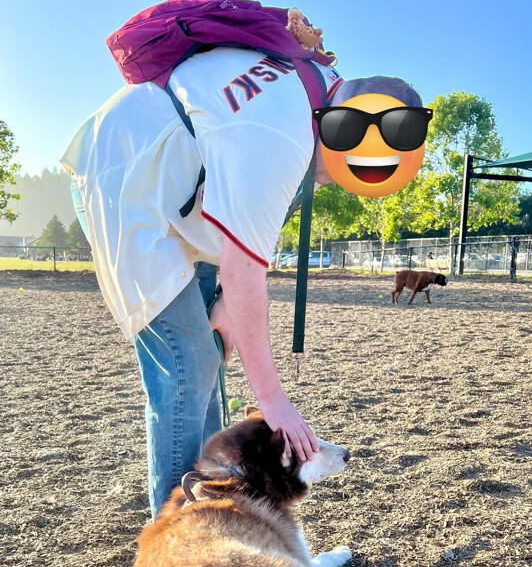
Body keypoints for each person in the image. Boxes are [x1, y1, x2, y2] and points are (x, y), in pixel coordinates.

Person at [61, 45, 425, 519]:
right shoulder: (281, 137)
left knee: (208, 358)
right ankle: (181, 534)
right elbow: (244, 270)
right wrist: (273, 401)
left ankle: (217, 501)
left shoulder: (318, 87)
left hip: (177, 189)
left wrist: (225, 301)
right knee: (187, 365)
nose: (328, 183)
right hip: (125, 180)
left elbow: (239, 225)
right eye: (337, 175)